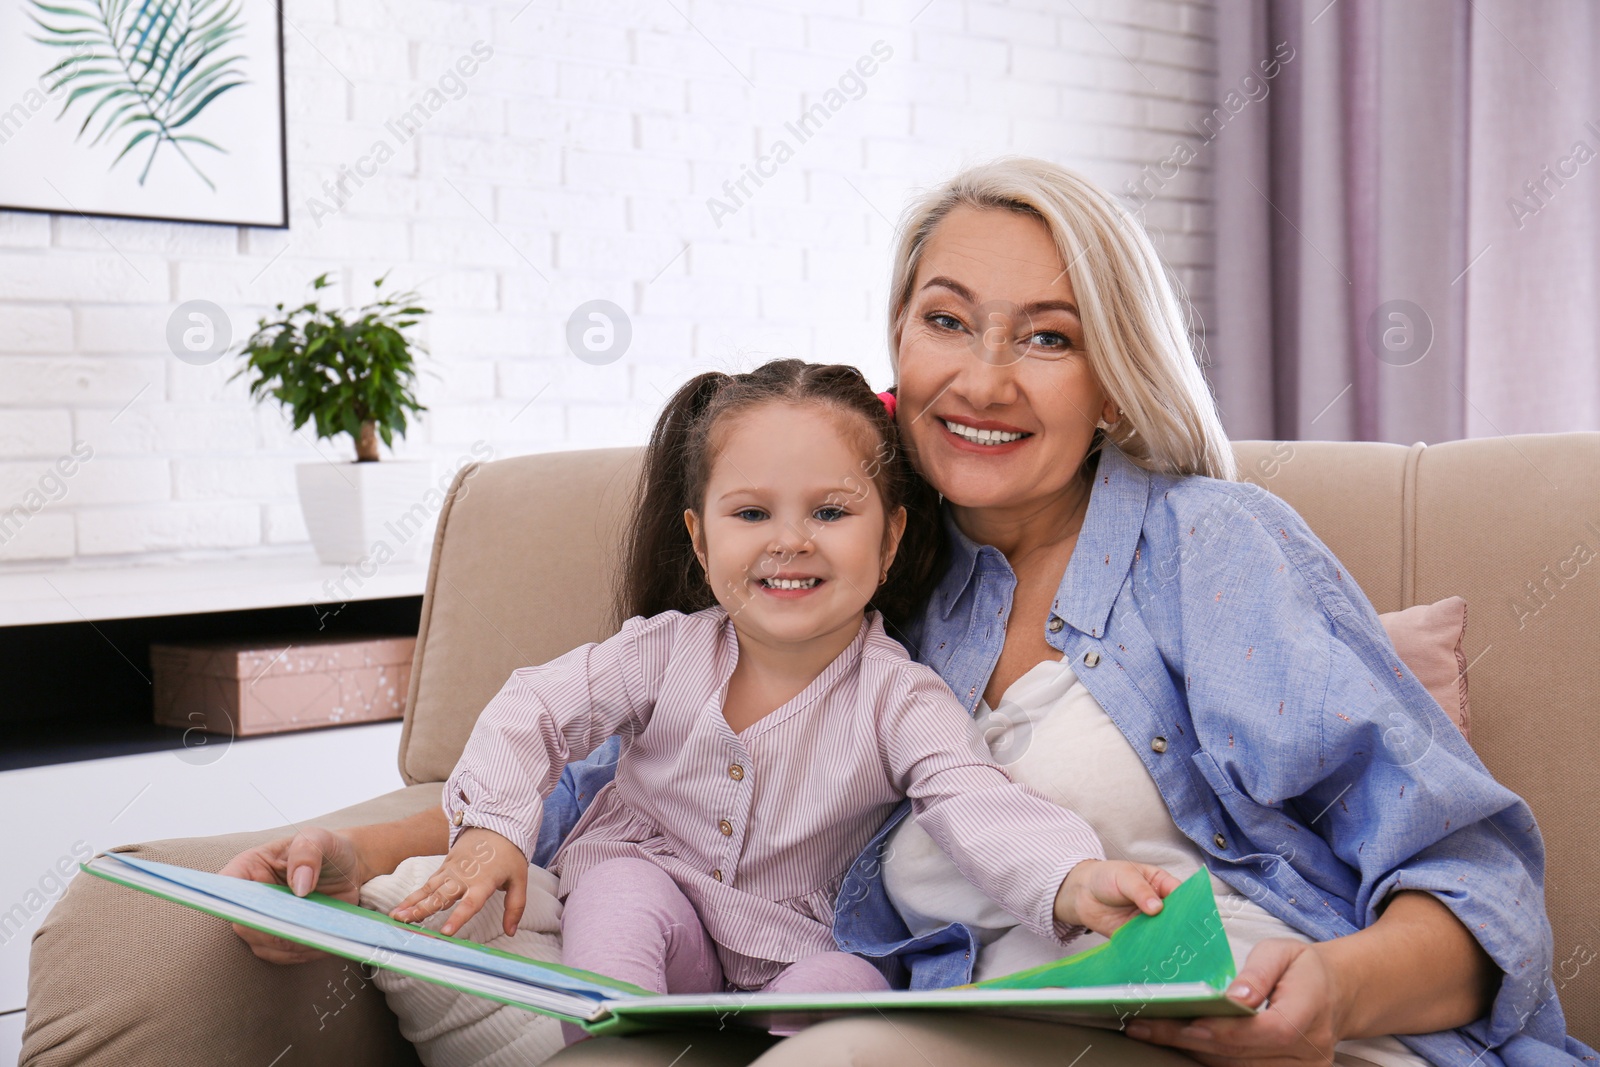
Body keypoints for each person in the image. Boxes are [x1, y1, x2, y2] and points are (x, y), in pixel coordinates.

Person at [226, 157, 1597, 1067]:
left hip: (1219, 1023)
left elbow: (1474, 876)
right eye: (949, 320)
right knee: (430, 914)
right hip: (950, 1005)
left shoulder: (1213, 548)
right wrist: (344, 857)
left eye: (1049, 337)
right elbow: (613, 774)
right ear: (899, 339)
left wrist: (1334, 999)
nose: (985, 377)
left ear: (1112, 377)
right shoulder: (870, 559)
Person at [383, 359, 1180, 1046]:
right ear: (701, 540)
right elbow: (536, 709)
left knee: (854, 987)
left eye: (830, 512)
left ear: (890, 537)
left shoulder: (899, 695)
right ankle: (620, 1050)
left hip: (801, 945)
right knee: (620, 896)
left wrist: (1073, 877)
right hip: (657, 902)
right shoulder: (662, 652)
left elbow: (974, 799)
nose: (789, 540)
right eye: (752, 513)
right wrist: (490, 828)